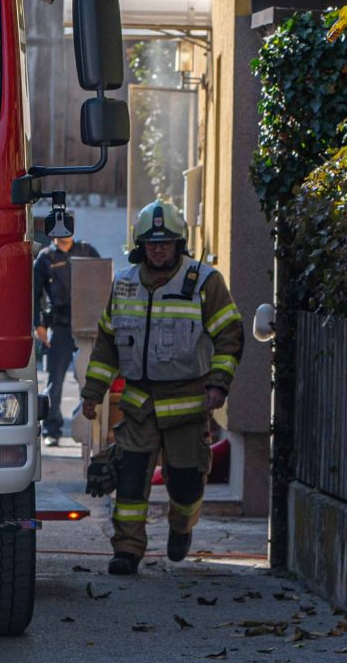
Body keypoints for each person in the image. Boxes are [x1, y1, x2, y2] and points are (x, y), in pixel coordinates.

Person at [78, 201, 243, 574]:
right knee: (130, 480)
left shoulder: (204, 282)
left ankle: (181, 526)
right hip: (140, 404)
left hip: (187, 404)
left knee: (186, 485)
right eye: (151, 243)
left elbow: (230, 335)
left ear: (178, 243)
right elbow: (107, 344)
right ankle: (127, 550)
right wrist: (93, 392)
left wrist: (218, 384)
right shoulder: (124, 284)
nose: (157, 249)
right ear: (140, 245)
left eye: (165, 243)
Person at [31, 209, 100, 443]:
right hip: (59, 326)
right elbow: (33, 295)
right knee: (55, 381)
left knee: (89, 378)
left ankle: (90, 429)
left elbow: (101, 281)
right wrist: (38, 325)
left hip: (87, 326)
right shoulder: (45, 259)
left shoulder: (87, 252)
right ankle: (52, 430)